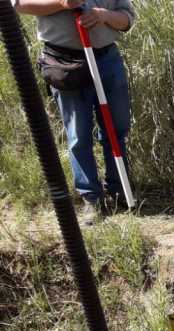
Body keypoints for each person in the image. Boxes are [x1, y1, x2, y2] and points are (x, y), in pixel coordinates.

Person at [14, 0, 135, 224]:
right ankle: (92, 199)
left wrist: (104, 15)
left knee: (116, 129)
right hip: (64, 62)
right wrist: (61, 3)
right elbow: (19, 5)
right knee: (78, 135)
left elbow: (127, 18)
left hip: (107, 60)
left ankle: (120, 190)